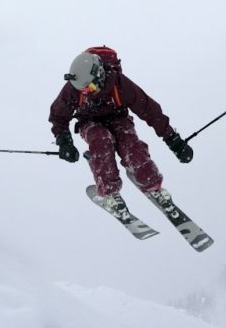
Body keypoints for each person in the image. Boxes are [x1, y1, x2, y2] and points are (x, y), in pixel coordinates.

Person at [49, 46, 194, 218]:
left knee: (132, 147)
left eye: (89, 88)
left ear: (100, 76)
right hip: (89, 122)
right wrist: (64, 142)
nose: (85, 93)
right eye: (83, 90)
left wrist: (173, 139)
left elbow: (149, 110)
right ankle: (109, 192)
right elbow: (58, 116)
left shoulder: (119, 84)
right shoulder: (74, 87)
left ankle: (152, 183)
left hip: (119, 119)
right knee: (101, 141)